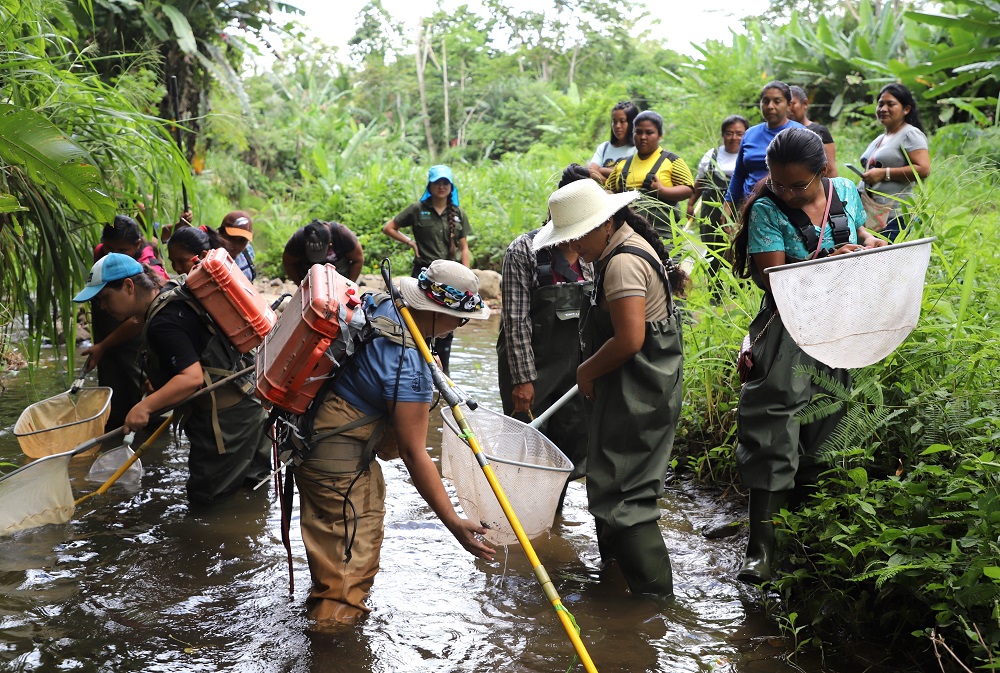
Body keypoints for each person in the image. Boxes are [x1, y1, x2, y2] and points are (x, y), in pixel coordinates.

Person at [292, 259, 494, 623]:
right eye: (460, 319)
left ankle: (325, 620)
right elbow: (415, 454)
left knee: (335, 561)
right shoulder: (409, 364)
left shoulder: (384, 306)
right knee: (346, 579)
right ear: (435, 310)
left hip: (312, 440)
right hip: (336, 461)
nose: (460, 327)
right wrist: (453, 522)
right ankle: (332, 648)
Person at [728, 128, 887, 585]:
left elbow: (861, 235)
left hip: (841, 324)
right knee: (773, 428)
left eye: (799, 186)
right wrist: (830, 261)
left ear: (824, 172)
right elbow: (772, 278)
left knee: (829, 422)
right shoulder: (765, 209)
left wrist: (867, 246)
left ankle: (804, 539)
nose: (789, 194)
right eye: (779, 184)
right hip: (789, 331)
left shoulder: (847, 192)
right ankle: (760, 549)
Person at [533, 179, 685, 598]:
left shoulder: (621, 263)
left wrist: (585, 370)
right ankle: (617, 588)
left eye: (580, 236)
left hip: (641, 392)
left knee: (627, 498)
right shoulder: (613, 250)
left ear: (605, 223)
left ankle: (656, 603)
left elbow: (630, 339)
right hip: (630, 388)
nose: (575, 247)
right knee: (608, 484)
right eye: (569, 238)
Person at [74, 253, 272, 505]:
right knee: (253, 489)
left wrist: (144, 406)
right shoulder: (168, 291)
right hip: (253, 398)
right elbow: (138, 324)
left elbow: (191, 378)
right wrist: (104, 346)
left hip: (228, 422)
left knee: (206, 503)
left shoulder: (162, 323)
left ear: (128, 286)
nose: (102, 306)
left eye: (104, 298)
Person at [497, 164, 593, 507]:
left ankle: (551, 522)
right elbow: (515, 321)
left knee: (567, 455)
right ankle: (523, 529)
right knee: (527, 454)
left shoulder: (593, 255)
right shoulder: (524, 251)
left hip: (577, 377)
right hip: (532, 374)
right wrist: (523, 380)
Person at [382, 165, 472, 374]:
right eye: (437, 182)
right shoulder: (417, 209)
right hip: (422, 275)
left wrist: (466, 277)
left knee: (447, 326)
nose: (441, 186)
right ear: (430, 185)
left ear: (451, 187)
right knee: (417, 322)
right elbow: (389, 227)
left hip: (449, 279)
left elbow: (464, 248)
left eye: (445, 183)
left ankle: (443, 375)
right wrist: (410, 242)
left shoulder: (458, 214)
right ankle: (413, 369)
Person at [84, 215, 170, 431]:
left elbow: (140, 320)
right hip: (108, 340)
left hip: (137, 343)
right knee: (112, 397)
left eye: (122, 251)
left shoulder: (151, 271)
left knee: (141, 398)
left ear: (137, 245)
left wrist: (103, 346)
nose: (112, 255)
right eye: (108, 249)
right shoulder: (102, 255)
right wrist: (103, 347)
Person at [606, 110, 695, 242]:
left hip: (664, 237)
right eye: (639, 132)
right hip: (628, 237)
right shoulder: (622, 164)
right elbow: (609, 191)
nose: (643, 137)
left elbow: (689, 189)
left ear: (660, 135)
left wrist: (663, 191)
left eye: (649, 133)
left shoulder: (671, 161)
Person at [687, 115, 750, 297]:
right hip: (711, 212)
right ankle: (715, 292)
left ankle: (739, 293)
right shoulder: (711, 155)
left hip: (740, 210)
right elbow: (699, 182)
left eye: (739, 134)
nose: (734, 138)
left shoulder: (749, 156)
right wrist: (691, 203)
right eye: (729, 133)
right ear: (723, 135)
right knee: (713, 249)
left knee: (738, 249)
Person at [858, 83, 931, 241]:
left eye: (890, 104)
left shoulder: (910, 134)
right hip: (872, 213)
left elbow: (924, 169)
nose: (883, 109)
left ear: (906, 109)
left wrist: (884, 174)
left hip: (894, 215)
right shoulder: (880, 138)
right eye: (880, 104)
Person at [725, 81, 804, 212]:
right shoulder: (750, 133)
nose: (770, 106)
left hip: (786, 208)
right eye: (765, 101)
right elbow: (739, 173)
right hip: (749, 206)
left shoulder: (799, 133)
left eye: (777, 101)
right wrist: (728, 204)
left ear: (788, 105)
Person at [282, 219, 364, 283]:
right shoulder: (298, 239)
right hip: (310, 277)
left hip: (339, 275)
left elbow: (358, 260)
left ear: (330, 243)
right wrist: (301, 286)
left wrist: (349, 285)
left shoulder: (341, 234)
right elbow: (288, 262)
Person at [788, 86, 837, 177]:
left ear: (805, 103)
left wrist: (832, 190)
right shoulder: (780, 132)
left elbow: (830, 170)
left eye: (792, 104)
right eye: (786, 105)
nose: (788, 109)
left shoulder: (820, 131)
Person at [588, 101, 639, 182]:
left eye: (622, 121)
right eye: (614, 122)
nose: (617, 126)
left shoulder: (638, 149)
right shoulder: (604, 148)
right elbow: (591, 171)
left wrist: (601, 170)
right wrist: (609, 185)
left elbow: (630, 178)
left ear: (632, 123)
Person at [218, 211, 257, 281]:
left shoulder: (247, 253)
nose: (236, 245)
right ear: (220, 234)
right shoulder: (207, 252)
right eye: (232, 238)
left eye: (242, 240)